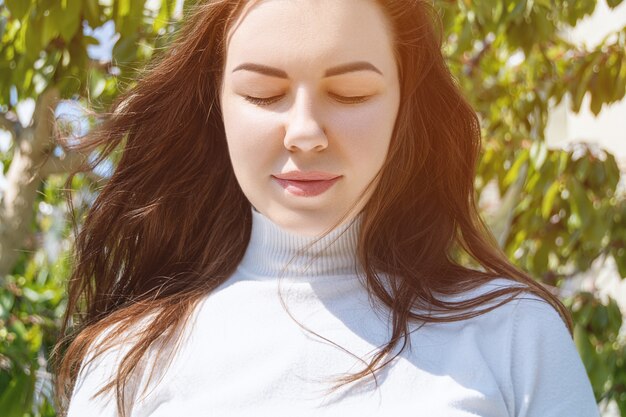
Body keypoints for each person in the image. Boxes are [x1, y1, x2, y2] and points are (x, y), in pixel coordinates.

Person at [52, 0, 600, 416]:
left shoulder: (514, 335)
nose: (306, 133)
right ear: (214, 106)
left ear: (404, 107)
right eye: (264, 95)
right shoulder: (127, 359)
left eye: (352, 93)